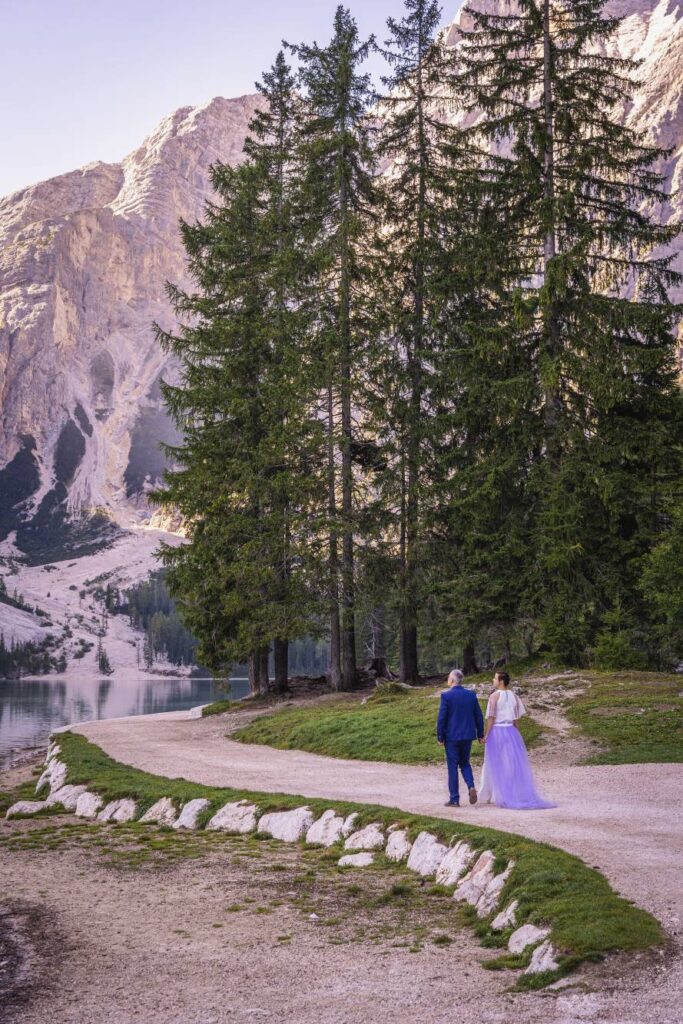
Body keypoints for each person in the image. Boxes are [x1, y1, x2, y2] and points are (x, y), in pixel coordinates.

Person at [479, 671, 555, 810]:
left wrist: (486, 734)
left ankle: (490, 794)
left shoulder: (494, 696)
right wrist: (517, 735)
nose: (493, 680)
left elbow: (491, 717)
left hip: (497, 730)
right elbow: (516, 719)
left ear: (501, 681)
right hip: (511, 731)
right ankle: (510, 792)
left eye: (495, 678)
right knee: (510, 763)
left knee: (492, 761)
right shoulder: (514, 696)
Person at [436, 669, 484, 807]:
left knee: (452, 766)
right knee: (465, 763)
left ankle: (454, 799)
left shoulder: (446, 696)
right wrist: (480, 734)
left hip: (451, 736)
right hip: (467, 735)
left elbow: (442, 718)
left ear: (451, 680)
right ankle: (471, 786)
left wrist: (440, 736)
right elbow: (478, 716)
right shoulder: (471, 695)